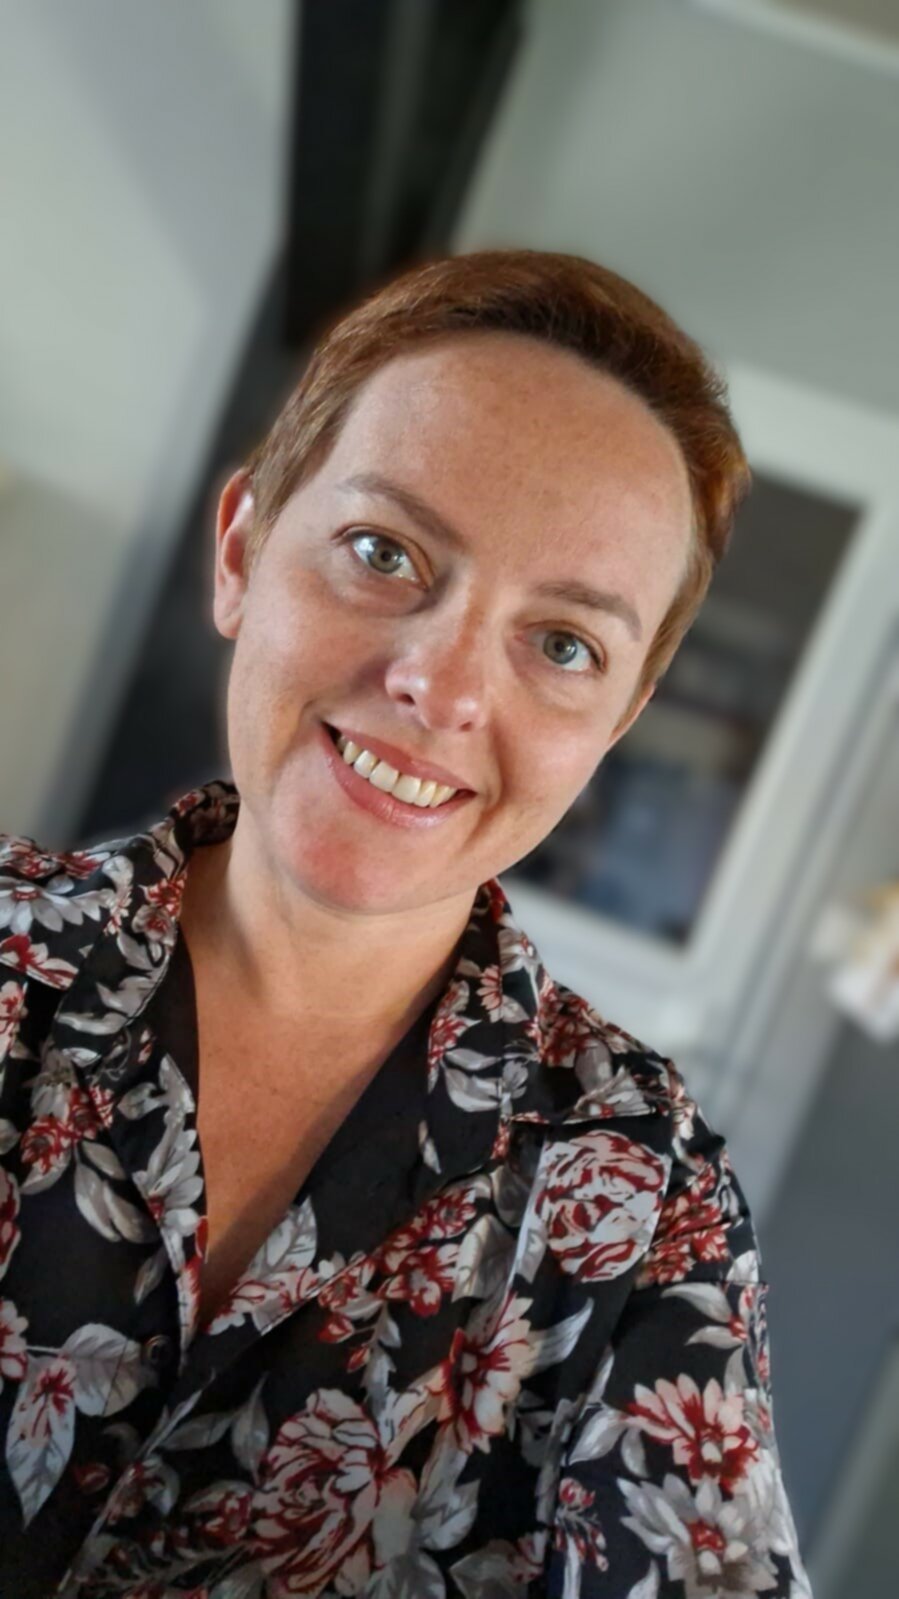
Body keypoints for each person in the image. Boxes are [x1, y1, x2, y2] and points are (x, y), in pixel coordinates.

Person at [0, 250, 811, 1598]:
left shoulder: (642, 1207)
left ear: (615, 723)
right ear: (242, 550)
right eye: (385, 554)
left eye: (563, 644)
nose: (441, 686)